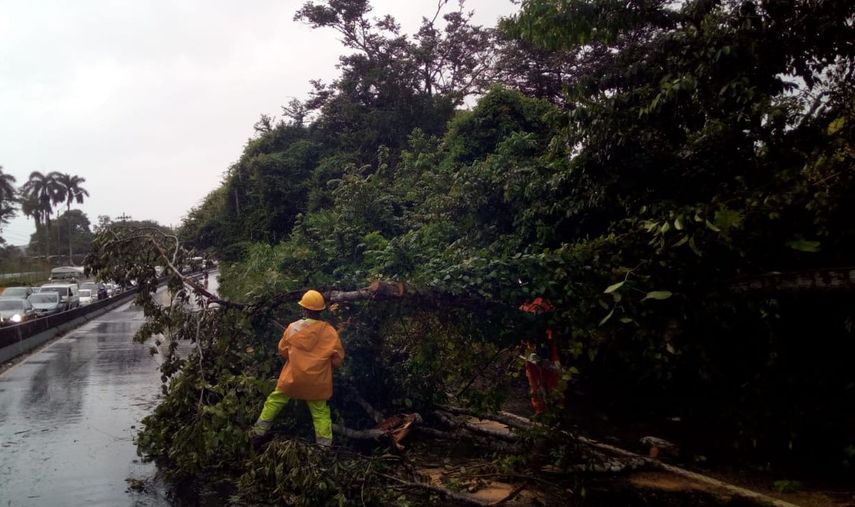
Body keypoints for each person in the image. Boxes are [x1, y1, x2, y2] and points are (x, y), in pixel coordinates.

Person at [250, 289, 345, 448]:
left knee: (274, 401)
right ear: (321, 310)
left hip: (292, 379)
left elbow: (283, 351)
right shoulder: (330, 332)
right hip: (318, 383)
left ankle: (258, 434)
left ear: (304, 309)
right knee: (320, 413)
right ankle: (324, 448)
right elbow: (337, 360)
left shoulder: (293, 328)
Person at [520, 297, 561, 415]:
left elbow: (551, 327)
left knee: (552, 379)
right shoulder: (525, 306)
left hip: (546, 347)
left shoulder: (543, 304)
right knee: (534, 380)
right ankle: (541, 412)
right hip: (532, 347)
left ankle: (554, 412)